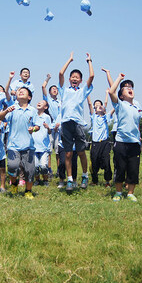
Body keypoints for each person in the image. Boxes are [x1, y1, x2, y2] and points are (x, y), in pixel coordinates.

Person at [58, 52, 94, 193]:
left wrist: (89, 61)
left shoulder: (83, 91)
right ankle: (70, 179)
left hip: (78, 123)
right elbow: (60, 73)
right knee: (68, 154)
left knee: (80, 152)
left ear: (80, 81)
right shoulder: (63, 90)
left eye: (77, 77)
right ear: (69, 79)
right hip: (66, 123)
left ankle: (85, 176)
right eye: (73, 77)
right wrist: (70, 60)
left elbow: (91, 76)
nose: (74, 78)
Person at [0, 87, 40, 199]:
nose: (20, 91)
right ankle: (14, 185)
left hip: (28, 146)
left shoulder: (33, 110)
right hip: (13, 145)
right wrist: (7, 110)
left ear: (29, 97)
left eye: (24, 91)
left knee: (30, 171)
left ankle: (28, 191)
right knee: (12, 166)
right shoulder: (13, 108)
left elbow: (38, 126)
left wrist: (33, 129)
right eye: (19, 91)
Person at [108, 73, 142, 202]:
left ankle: (130, 193)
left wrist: (139, 138)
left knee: (133, 169)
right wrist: (119, 79)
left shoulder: (137, 107)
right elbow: (111, 91)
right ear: (122, 96)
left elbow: (137, 124)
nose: (130, 90)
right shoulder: (120, 105)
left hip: (134, 143)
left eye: (131, 89)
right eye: (126, 89)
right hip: (121, 142)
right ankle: (118, 192)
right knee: (120, 168)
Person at [87, 89, 112, 187]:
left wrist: (107, 94)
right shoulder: (94, 116)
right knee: (94, 162)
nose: (98, 106)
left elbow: (106, 103)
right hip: (95, 143)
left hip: (105, 143)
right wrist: (87, 94)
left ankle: (107, 181)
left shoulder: (106, 117)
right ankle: (94, 180)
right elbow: (89, 104)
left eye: (99, 105)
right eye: (96, 105)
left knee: (106, 161)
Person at [42, 73, 61, 176]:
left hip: (59, 128)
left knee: (58, 150)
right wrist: (48, 78)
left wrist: (59, 124)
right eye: (52, 88)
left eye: (56, 88)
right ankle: (49, 169)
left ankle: (59, 169)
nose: (55, 89)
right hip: (49, 127)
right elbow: (43, 86)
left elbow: (63, 113)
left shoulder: (60, 102)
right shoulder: (48, 100)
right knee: (49, 150)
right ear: (49, 92)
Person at [33, 100, 52, 186]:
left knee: (44, 166)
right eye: (38, 102)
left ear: (45, 107)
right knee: (35, 166)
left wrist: (48, 127)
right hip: (33, 146)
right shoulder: (33, 115)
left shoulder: (47, 117)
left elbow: (50, 132)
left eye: (42, 102)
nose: (39, 102)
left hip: (44, 146)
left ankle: (45, 180)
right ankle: (37, 180)